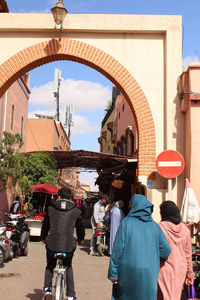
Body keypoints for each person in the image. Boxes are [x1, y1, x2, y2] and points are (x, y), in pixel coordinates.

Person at [108, 194, 171, 300]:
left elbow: (117, 251)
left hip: (128, 273)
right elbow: (166, 251)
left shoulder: (126, 224)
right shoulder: (155, 227)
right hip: (149, 274)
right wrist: (153, 258)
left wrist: (113, 274)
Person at [41, 187, 85, 300]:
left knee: (50, 265)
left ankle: (47, 290)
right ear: (70, 197)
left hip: (52, 245)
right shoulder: (76, 210)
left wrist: (43, 238)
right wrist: (80, 239)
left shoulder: (50, 208)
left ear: (58, 196)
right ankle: (70, 295)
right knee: (68, 266)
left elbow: (45, 225)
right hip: (68, 246)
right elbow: (80, 228)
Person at [157, 201, 194, 300]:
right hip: (181, 269)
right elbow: (188, 254)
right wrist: (190, 274)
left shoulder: (160, 227)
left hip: (164, 268)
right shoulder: (185, 229)